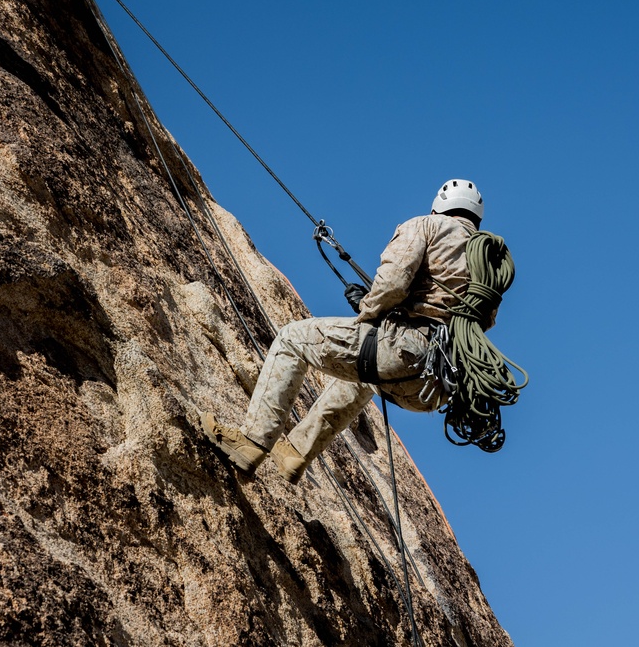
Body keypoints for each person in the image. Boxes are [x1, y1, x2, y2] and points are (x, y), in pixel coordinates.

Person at [202, 178, 490, 483]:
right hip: (436, 386)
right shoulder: (487, 261)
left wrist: (368, 308)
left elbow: (392, 282)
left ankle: (251, 442)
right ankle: (295, 452)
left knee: (292, 339)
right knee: (363, 381)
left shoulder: (428, 226)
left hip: (405, 351)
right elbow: (467, 316)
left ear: (438, 208)